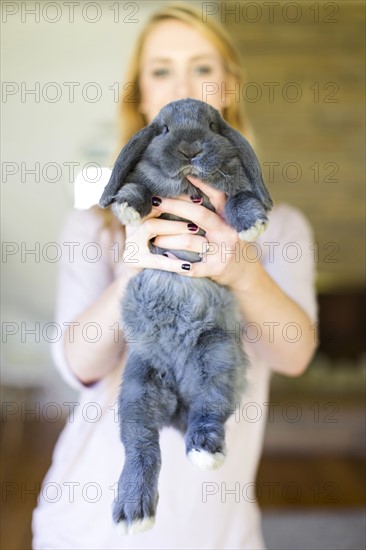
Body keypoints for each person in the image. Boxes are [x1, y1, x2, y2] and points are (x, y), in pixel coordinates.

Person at [32, 3, 318, 549]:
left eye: (202, 67)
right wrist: (131, 271)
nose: (181, 83)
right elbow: (77, 365)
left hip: (220, 530)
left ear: (229, 86)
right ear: (139, 94)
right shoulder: (96, 225)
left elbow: (295, 355)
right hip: (89, 523)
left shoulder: (278, 227)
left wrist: (244, 269)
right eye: (161, 69)